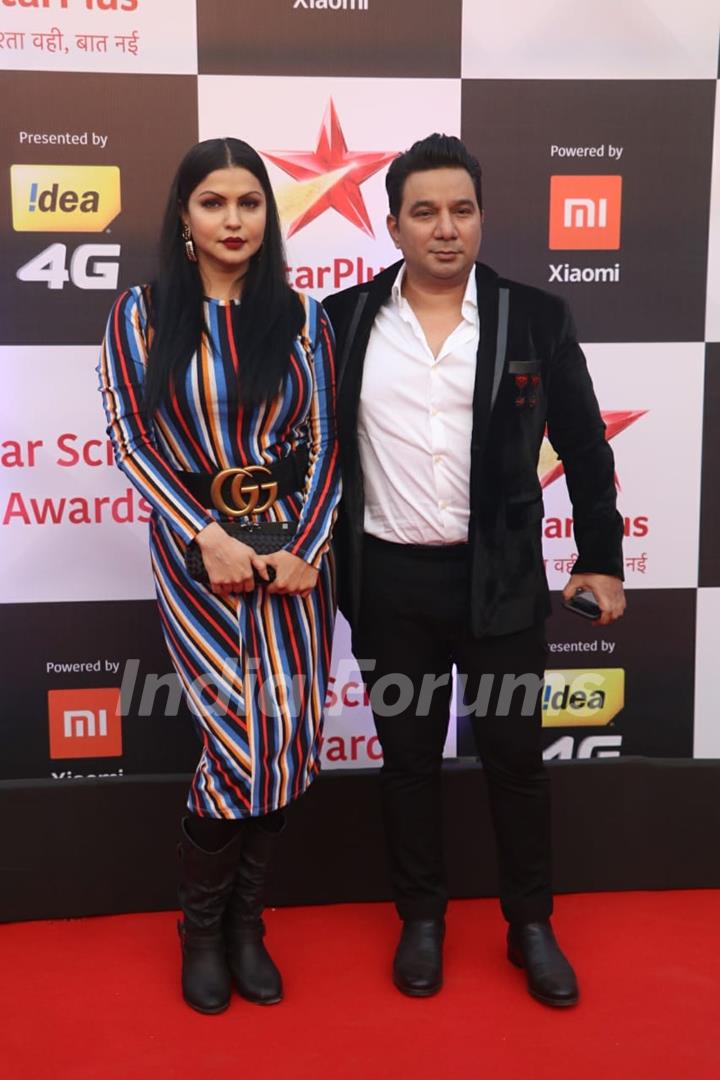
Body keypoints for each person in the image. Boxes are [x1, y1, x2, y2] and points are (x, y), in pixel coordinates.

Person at [323, 134, 625, 1008]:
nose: (445, 229)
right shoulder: (341, 321)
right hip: (388, 586)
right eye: (424, 212)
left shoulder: (534, 317)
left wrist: (599, 559)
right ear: (392, 225)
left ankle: (530, 923)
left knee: (515, 760)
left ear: (482, 217)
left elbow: (585, 446)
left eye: (461, 210)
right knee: (407, 763)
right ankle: (421, 918)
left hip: (500, 585)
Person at [98, 138, 340, 1015]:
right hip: (199, 561)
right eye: (214, 202)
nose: (234, 219)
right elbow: (130, 439)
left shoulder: (304, 318)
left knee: (284, 740)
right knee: (236, 744)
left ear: (267, 217)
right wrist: (207, 536)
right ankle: (202, 930)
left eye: (249, 202)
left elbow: (324, 446)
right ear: (184, 216)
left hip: (296, 567)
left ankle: (247, 922)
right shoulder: (142, 314)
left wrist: (305, 547)